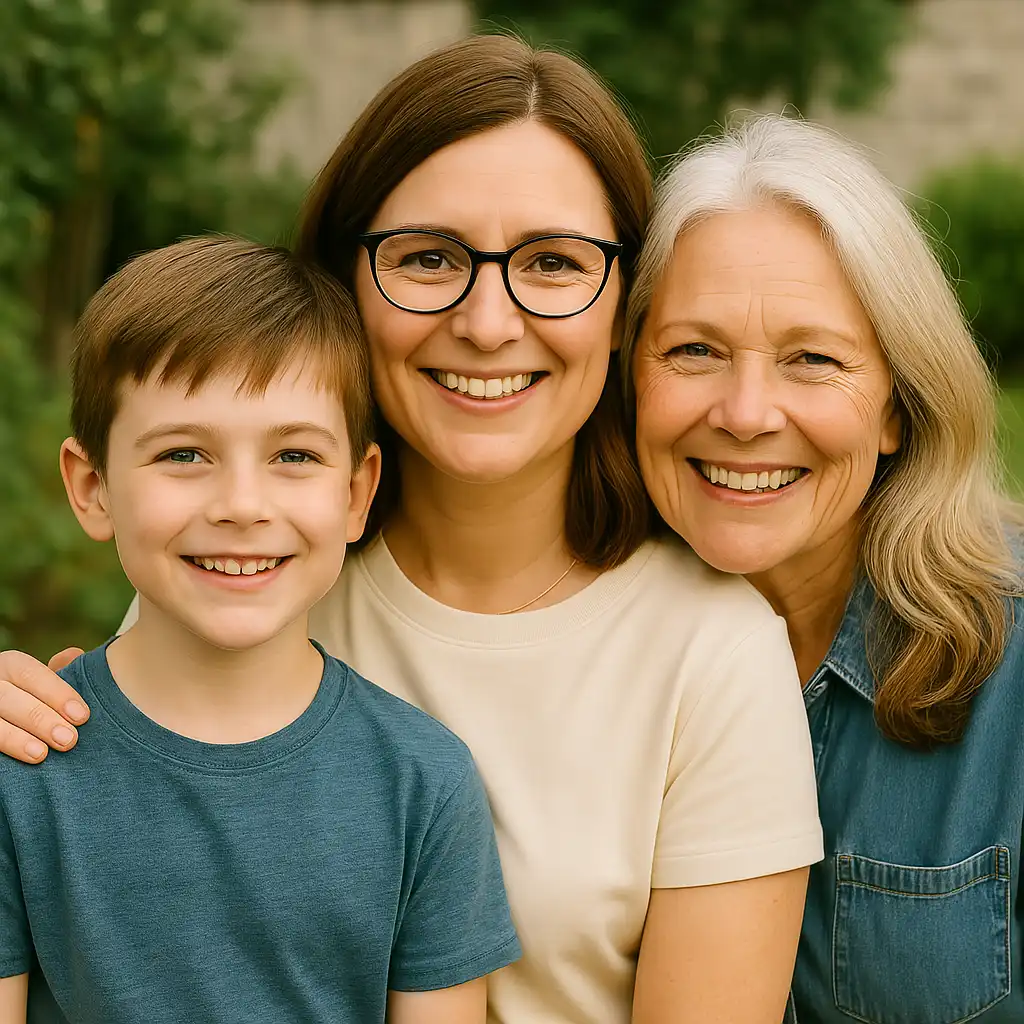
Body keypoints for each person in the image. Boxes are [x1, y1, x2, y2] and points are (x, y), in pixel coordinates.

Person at [0, 38, 823, 1023]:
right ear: (348, 280)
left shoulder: (709, 652)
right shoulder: (245, 567)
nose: (486, 321)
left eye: (553, 262)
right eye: (428, 258)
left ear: (619, 309)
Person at [0, 236, 521, 1024]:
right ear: (92, 486)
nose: (242, 504)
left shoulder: (424, 785)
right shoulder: (19, 766)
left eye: (293, 455)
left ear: (357, 493)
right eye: (184, 453)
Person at [626, 113, 1024, 1023]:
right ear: (632, 378)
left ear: (897, 405)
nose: (746, 412)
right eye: (695, 350)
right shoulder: (579, 645)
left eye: (813, 359)